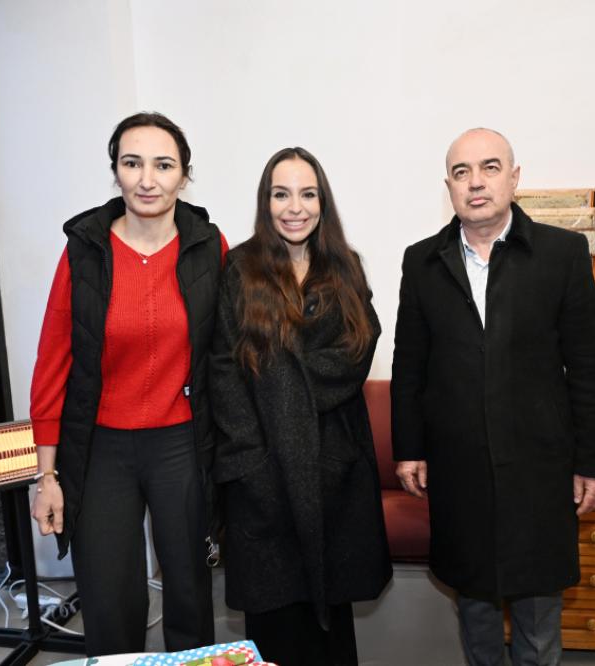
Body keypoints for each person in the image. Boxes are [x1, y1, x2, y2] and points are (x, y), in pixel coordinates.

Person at [391, 128, 595, 666]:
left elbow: (587, 368)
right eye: (461, 172)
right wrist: (409, 448)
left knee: (538, 614)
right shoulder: (422, 262)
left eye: (490, 168)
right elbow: (409, 366)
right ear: (448, 186)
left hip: (540, 466)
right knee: (476, 605)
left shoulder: (562, 254)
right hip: (459, 466)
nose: (476, 182)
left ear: (514, 178)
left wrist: (593, 461)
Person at [29, 112, 225, 656]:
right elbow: (52, 364)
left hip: (182, 443)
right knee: (109, 598)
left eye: (163, 165)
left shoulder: (209, 247)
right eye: (132, 163)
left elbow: (230, 351)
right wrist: (46, 476)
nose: (147, 179)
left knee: (189, 593)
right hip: (101, 449)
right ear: (115, 170)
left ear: (184, 175)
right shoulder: (84, 250)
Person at [209, 147, 392, 666]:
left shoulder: (345, 267)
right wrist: (252, 458)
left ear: (322, 202)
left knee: (330, 630)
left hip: (334, 466)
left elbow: (357, 350)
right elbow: (224, 368)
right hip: (261, 467)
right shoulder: (239, 269)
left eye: (308, 194)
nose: (295, 207)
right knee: (274, 621)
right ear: (265, 202)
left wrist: (276, 379)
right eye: (281, 194)